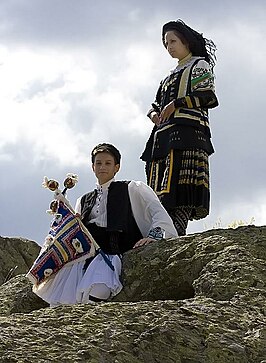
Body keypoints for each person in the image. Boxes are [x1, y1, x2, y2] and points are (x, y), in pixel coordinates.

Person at [33, 143, 177, 306]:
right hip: (85, 255)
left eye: (108, 163)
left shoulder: (132, 188)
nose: (103, 167)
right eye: (98, 163)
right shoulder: (84, 199)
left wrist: (153, 236)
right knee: (64, 301)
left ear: (117, 167)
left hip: (113, 252)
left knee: (97, 292)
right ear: (93, 167)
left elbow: (157, 211)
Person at [140, 19, 219, 236]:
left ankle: (177, 232)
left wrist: (177, 104)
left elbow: (208, 96)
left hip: (188, 133)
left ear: (186, 41)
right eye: (166, 43)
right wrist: (154, 114)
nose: (169, 47)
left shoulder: (199, 65)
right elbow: (155, 104)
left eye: (173, 41)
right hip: (163, 138)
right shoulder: (168, 76)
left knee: (181, 187)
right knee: (160, 188)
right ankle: (161, 231)